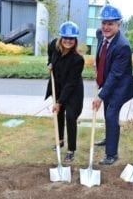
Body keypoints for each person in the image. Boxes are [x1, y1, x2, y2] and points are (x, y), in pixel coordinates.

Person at [92, 4, 133, 165]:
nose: (106, 27)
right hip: (107, 81)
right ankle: (109, 138)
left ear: (119, 24)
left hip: (120, 87)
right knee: (107, 114)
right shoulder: (100, 34)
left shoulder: (123, 46)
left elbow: (116, 75)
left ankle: (111, 154)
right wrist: (98, 63)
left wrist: (100, 96)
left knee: (111, 115)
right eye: (104, 22)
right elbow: (102, 53)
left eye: (111, 23)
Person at [45, 21, 84, 162]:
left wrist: (60, 102)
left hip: (73, 91)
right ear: (61, 38)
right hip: (58, 86)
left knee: (70, 118)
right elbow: (50, 55)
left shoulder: (78, 59)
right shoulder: (54, 46)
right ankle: (60, 140)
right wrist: (49, 63)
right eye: (66, 38)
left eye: (71, 39)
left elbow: (71, 83)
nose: (68, 41)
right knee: (59, 114)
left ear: (75, 40)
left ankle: (71, 149)